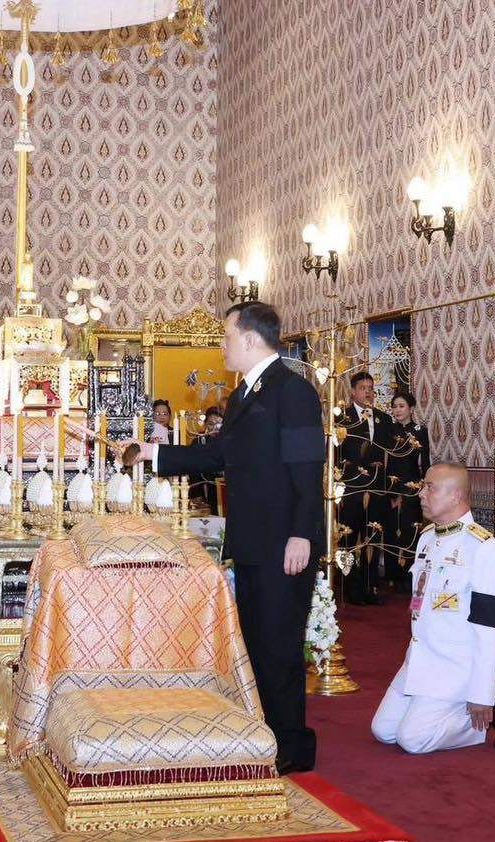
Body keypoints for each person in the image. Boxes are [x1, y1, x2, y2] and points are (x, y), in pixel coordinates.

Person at [130, 301, 325, 773]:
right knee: (258, 642)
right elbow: (216, 455)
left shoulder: (292, 392)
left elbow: (307, 469)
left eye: (227, 337)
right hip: (254, 542)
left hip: (285, 543)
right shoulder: (243, 397)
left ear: (252, 339)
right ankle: (268, 737)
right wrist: (150, 453)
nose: (223, 346)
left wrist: (302, 534)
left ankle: (292, 748)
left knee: (280, 647)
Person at [371, 463, 495, 754]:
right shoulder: (428, 538)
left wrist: (480, 692)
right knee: (383, 731)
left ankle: (480, 718)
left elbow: (489, 629)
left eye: (431, 487)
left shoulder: (483, 548)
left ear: (456, 496)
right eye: (424, 486)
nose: (421, 494)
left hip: (455, 667)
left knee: (413, 740)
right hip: (420, 659)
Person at [336, 372, 396, 605]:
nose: (368, 392)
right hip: (351, 491)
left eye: (371, 388)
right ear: (353, 392)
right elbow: (336, 454)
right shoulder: (342, 418)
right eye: (363, 388)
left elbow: (388, 454)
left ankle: (370, 587)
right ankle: (350, 587)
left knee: (372, 538)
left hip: (377, 490)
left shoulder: (383, 418)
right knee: (349, 540)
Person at [386, 390, 432, 590]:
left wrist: (425, 486)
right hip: (391, 486)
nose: (397, 410)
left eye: (401, 406)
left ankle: (409, 577)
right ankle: (392, 575)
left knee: (410, 530)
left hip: (412, 486)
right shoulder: (388, 429)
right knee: (391, 531)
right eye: (394, 406)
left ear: (411, 409)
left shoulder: (420, 430)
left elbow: (426, 461)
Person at [190, 405, 223, 512]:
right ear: (205, 425)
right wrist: (197, 496)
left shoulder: (230, 442)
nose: (215, 428)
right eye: (211, 424)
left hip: (225, 490)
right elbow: (193, 471)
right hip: (204, 491)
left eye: (219, 424)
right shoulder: (198, 442)